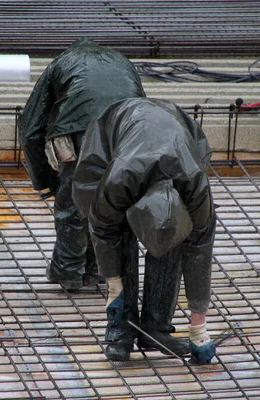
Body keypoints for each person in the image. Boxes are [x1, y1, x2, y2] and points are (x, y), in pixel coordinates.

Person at [72, 98, 217, 364]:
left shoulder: (195, 189)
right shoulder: (118, 181)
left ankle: (155, 330)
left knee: (171, 236)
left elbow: (200, 253)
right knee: (119, 236)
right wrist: (115, 287)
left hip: (178, 131)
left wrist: (199, 329)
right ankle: (120, 330)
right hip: (110, 141)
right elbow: (103, 231)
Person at [19, 38, 146, 290]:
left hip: (80, 130)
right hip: (130, 130)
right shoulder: (122, 61)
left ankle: (68, 270)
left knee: (73, 203)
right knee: (111, 203)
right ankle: (96, 268)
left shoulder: (61, 62)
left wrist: (45, 181)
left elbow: (30, 129)